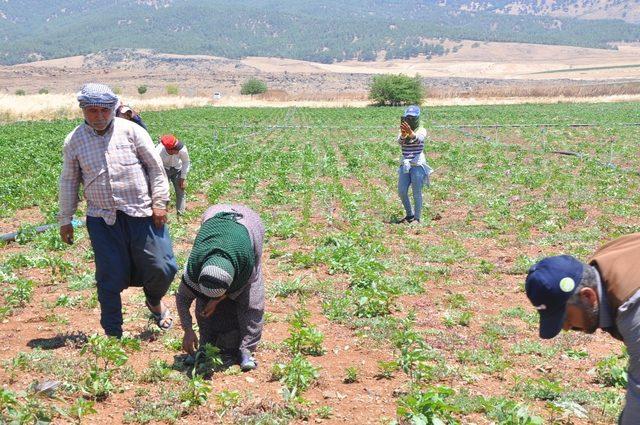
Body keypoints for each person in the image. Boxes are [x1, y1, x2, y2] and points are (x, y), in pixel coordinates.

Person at [58, 83, 178, 338]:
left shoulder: (132, 131)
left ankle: (154, 302)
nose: (99, 116)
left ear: (113, 108)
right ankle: (113, 333)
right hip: (102, 219)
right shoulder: (74, 141)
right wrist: (65, 219)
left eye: (105, 110)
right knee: (109, 277)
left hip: (142, 213)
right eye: (92, 111)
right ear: (83, 110)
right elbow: (69, 181)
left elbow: (156, 169)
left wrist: (159, 203)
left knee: (162, 266)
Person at [525, 234, 640, 424]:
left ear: (587, 296)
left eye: (566, 317)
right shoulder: (603, 263)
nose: (567, 328)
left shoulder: (632, 309)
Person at [176, 204, 265, 371]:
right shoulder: (195, 265)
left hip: (250, 225)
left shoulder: (245, 260)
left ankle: (247, 350)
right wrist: (187, 330)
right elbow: (182, 298)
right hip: (214, 216)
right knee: (203, 304)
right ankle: (205, 344)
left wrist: (217, 300)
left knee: (252, 302)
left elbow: (245, 285)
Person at [396, 105, 432, 223]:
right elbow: (399, 142)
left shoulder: (421, 130)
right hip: (405, 164)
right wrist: (403, 134)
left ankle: (417, 218)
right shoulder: (403, 131)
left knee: (417, 192)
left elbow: (418, 140)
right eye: (408, 117)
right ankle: (409, 214)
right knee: (402, 191)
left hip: (417, 165)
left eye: (412, 117)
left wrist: (410, 132)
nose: (410, 120)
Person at [156, 134, 191, 215]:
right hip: (163, 170)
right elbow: (155, 167)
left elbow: (186, 162)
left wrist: (183, 178)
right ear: (169, 149)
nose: (179, 149)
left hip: (177, 169)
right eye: (176, 149)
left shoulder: (182, 149)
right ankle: (163, 214)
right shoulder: (158, 152)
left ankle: (181, 213)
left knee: (180, 191)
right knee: (163, 192)